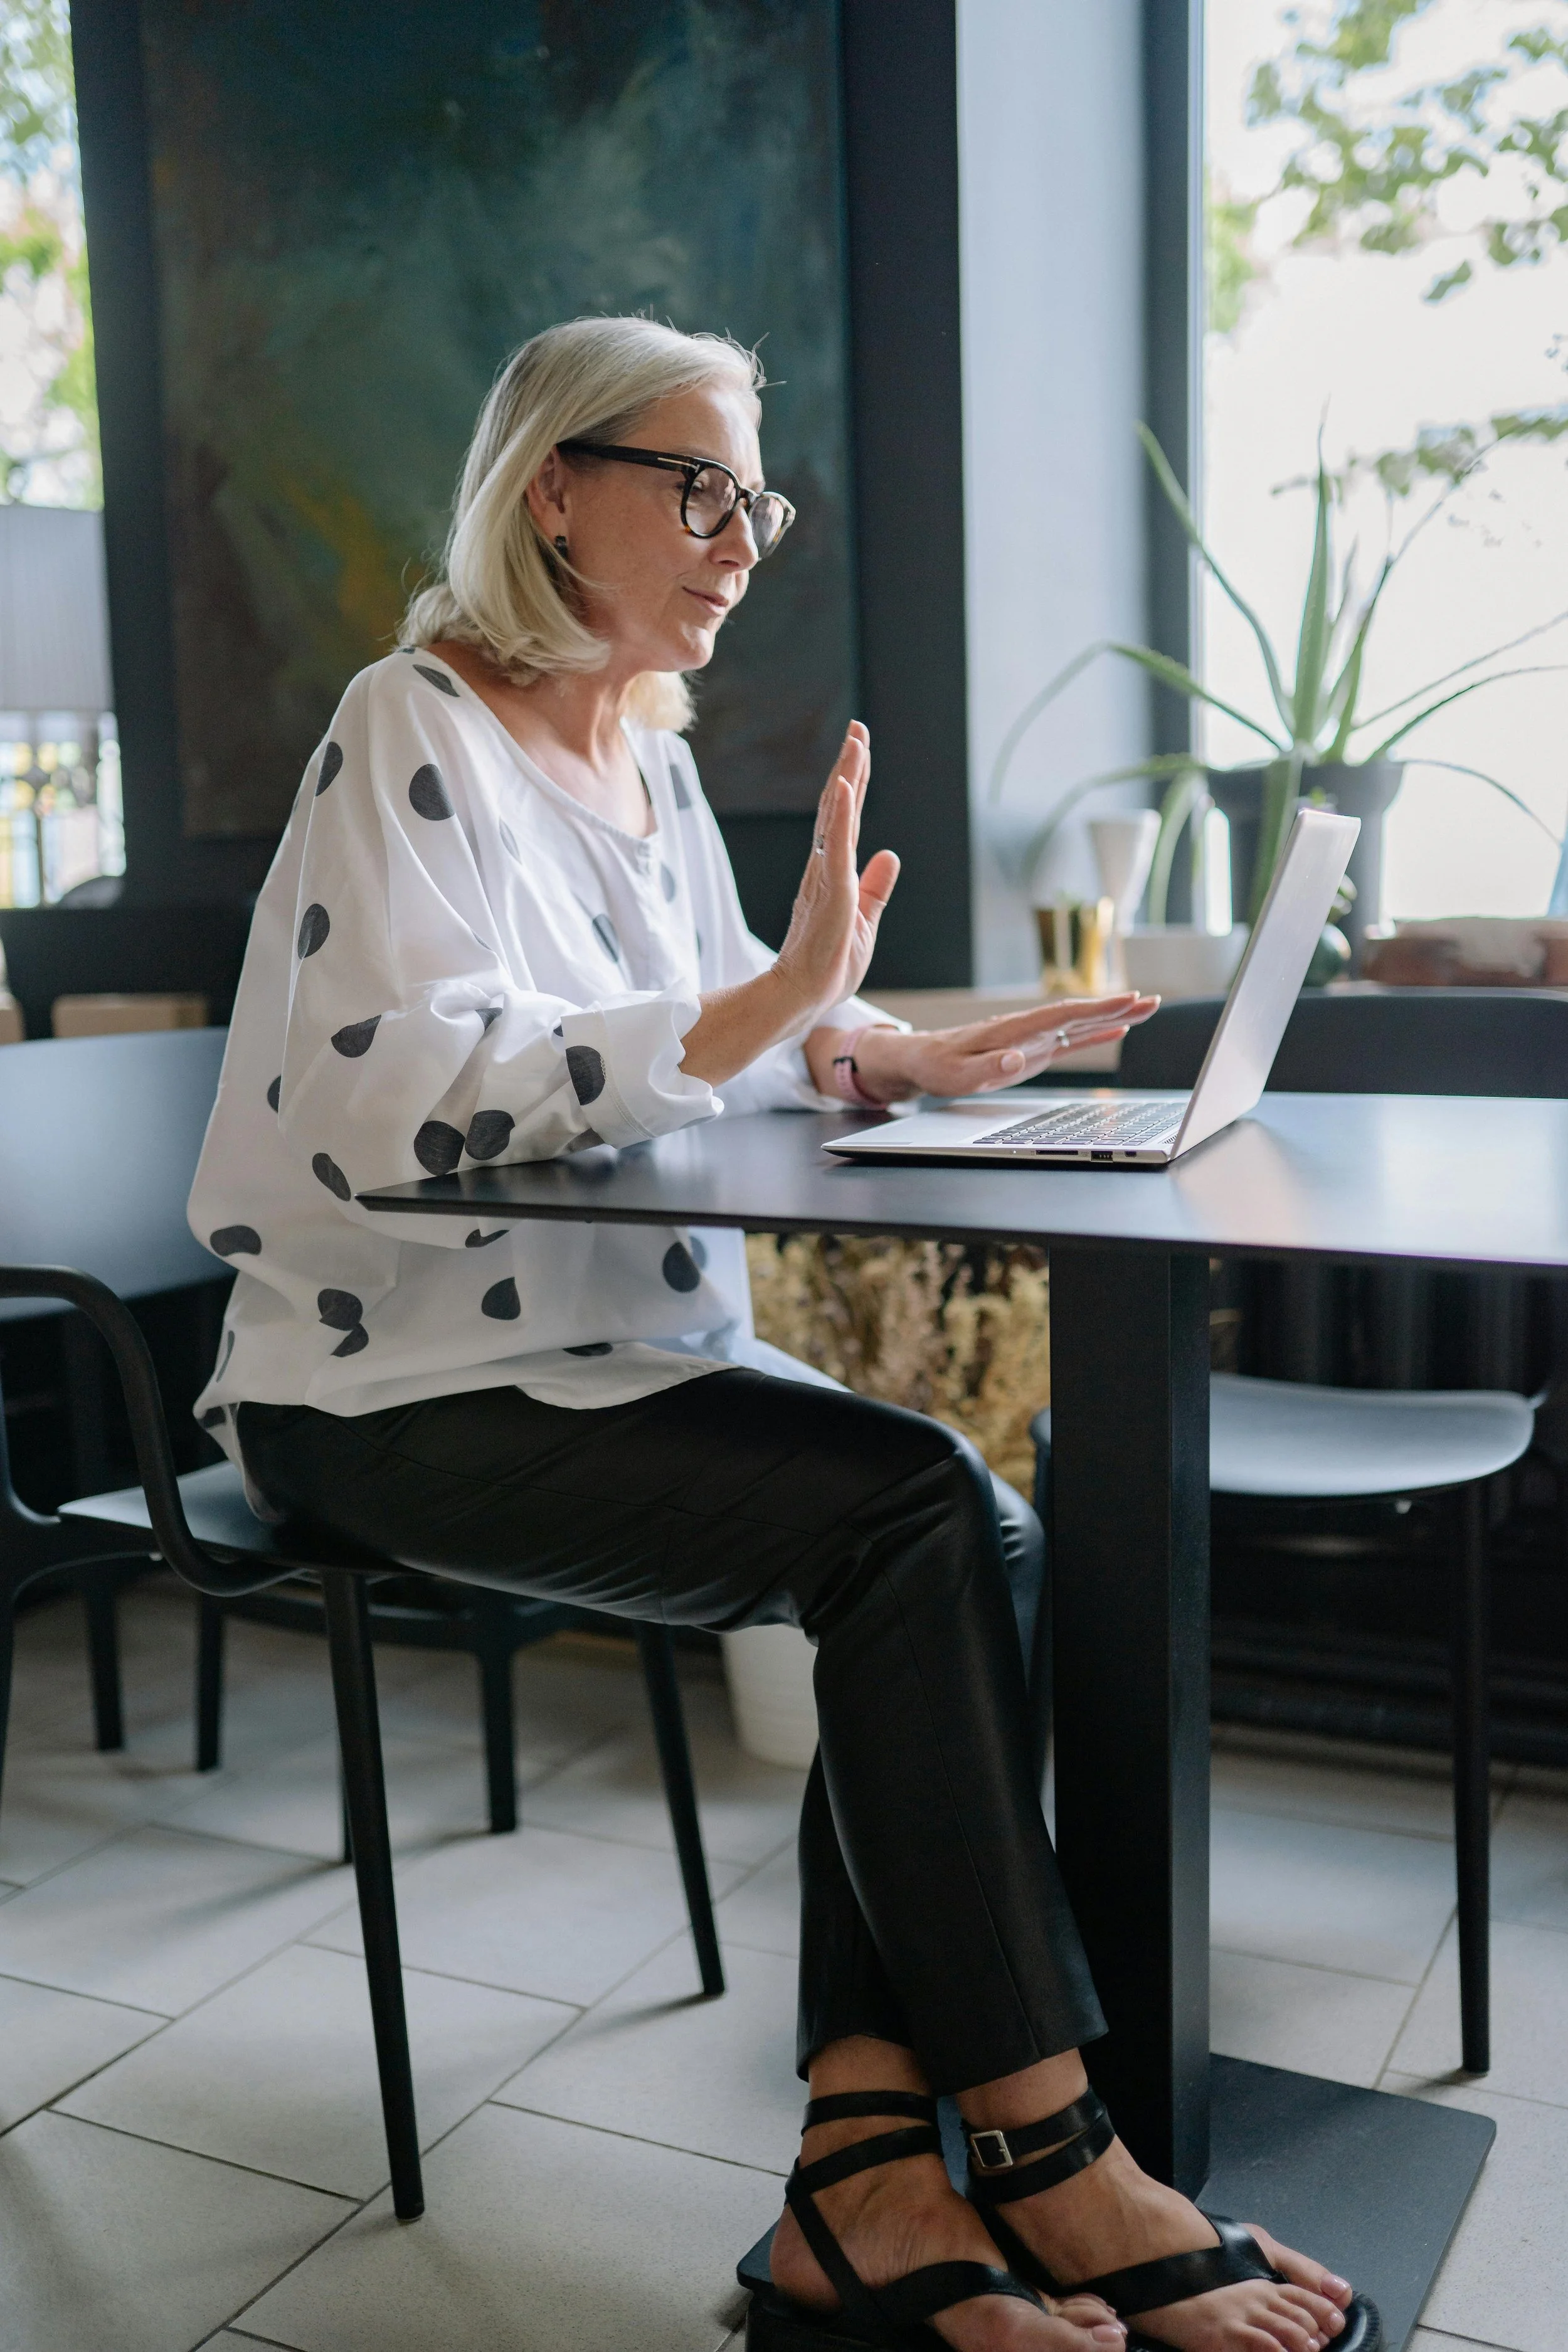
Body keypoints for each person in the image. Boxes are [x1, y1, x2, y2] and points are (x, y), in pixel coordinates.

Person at [188, 318, 1370, 2352]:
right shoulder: (416, 722)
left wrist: (894, 1045)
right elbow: (398, 1089)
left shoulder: (638, 756)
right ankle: (1047, 2144)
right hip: (377, 1388)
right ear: (552, 485)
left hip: (606, 1362)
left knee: (960, 1521)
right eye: (700, 486)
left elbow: (730, 1021)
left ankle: (859, 2167)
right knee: (911, 1515)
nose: (742, 538)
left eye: (759, 498)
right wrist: (774, 1010)